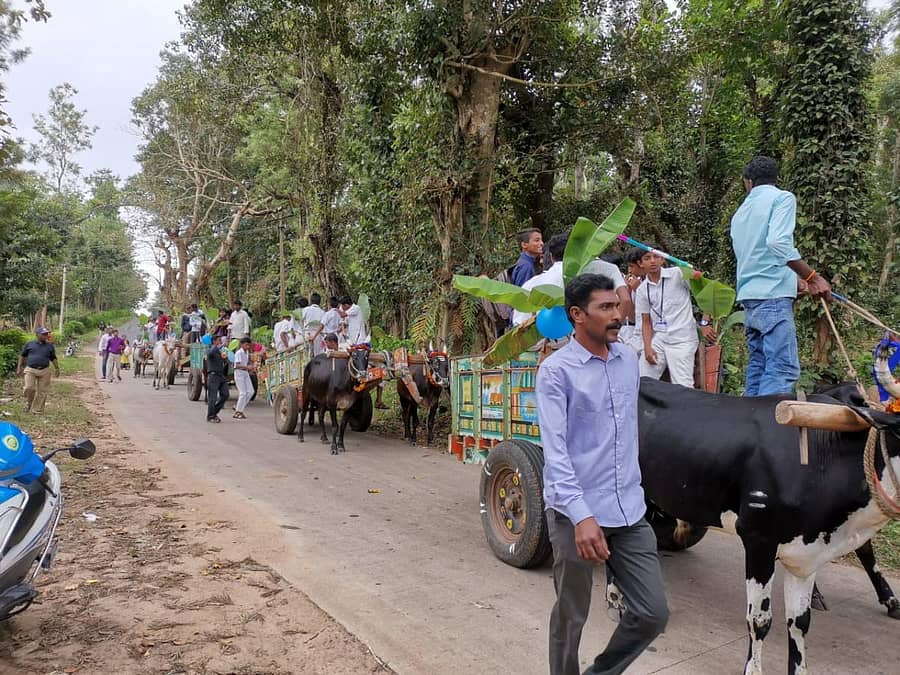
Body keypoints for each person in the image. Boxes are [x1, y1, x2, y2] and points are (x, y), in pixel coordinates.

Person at [536, 274, 669, 675]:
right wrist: (582, 516)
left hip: (629, 510)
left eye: (617, 305)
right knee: (572, 614)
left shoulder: (628, 360)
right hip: (576, 515)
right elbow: (556, 454)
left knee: (653, 613)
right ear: (577, 315)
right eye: (606, 308)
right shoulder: (557, 372)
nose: (617, 314)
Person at [730, 156, 832, 396]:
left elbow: (753, 255)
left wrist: (792, 280)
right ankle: (770, 430)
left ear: (748, 182)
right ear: (777, 179)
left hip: (750, 299)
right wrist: (812, 277)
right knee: (782, 368)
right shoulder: (782, 198)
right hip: (772, 299)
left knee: (759, 365)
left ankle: (749, 427)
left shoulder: (740, 212)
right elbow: (777, 242)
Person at [635, 248, 710, 388]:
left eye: (656, 257)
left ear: (663, 259)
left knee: (683, 385)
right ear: (640, 264)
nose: (652, 261)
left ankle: (687, 409)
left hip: (683, 339)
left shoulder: (678, 273)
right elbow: (646, 322)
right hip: (660, 338)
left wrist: (695, 274)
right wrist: (647, 347)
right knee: (641, 379)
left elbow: (702, 291)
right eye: (647, 258)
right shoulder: (642, 290)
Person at [17, 327, 60, 414]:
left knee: (42, 391)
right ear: (37, 335)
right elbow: (22, 356)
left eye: (46, 334)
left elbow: (53, 358)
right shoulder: (29, 344)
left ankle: (37, 410)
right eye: (43, 334)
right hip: (30, 369)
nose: (46, 336)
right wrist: (19, 367)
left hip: (44, 370)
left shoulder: (50, 346)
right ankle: (29, 404)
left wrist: (57, 368)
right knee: (29, 388)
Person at [205, 335, 230, 423]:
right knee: (213, 397)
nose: (220, 342)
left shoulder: (219, 352)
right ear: (214, 341)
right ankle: (211, 416)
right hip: (213, 376)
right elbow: (210, 353)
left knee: (225, 394)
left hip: (221, 376)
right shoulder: (211, 350)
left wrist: (225, 359)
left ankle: (214, 411)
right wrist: (220, 346)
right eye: (219, 340)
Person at [232, 336, 255, 419]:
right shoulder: (239, 353)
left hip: (245, 373)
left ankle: (239, 407)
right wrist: (247, 367)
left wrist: (250, 367)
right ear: (242, 345)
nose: (247, 347)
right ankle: (238, 412)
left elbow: (247, 362)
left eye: (249, 345)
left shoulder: (247, 352)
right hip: (239, 373)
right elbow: (237, 365)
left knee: (251, 392)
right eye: (246, 345)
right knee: (243, 393)